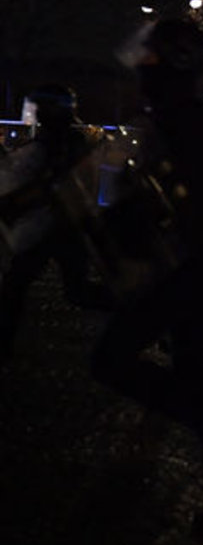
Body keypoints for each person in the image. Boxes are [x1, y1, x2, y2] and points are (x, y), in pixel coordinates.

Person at [92, 18, 203, 529]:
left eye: (150, 61)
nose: (143, 71)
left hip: (186, 268)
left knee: (111, 358)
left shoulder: (185, 119)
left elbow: (184, 198)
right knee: (195, 380)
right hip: (194, 266)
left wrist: (129, 216)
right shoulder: (182, 114)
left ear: (175, 63)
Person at [0, 84, 111, 362]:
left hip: (56, 225)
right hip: (67, 224)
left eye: (40, 108)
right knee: (76, 291)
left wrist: (17, 202)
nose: (36, 113)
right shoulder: (71, 137)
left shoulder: (61, 141)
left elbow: (50, 182)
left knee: (17, 285)